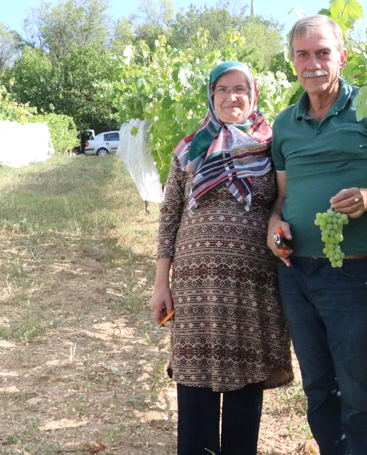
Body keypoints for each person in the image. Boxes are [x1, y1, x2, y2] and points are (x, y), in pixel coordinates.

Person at [266, 15, 367, 455]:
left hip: (351, 275)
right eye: (302, 54)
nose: (312, 63)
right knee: (317, 388)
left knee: (358, 391)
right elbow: (281, 198)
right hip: (296, 274)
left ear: (342, 57)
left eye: (322, 52)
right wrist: (274, 223)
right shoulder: (284, 125)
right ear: (292, 61)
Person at [151, 60, 293, 455]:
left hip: (253, 289)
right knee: (195, 384)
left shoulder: (271, 146)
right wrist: (161, 283)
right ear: (211, 96)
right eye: (223, 90)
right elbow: (169, 216)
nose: (232, 97)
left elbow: (283, 200)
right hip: (196, 290)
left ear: (253, 95)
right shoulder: (189, 149)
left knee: (246, 387)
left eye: (240, 89)